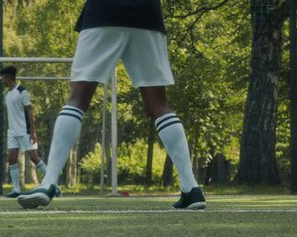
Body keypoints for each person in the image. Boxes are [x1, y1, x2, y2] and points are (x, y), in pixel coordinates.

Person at [17, 0, 206, 210]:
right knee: (159, 104)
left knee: (78, 98)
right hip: (147, 14)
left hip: (103, 12)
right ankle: (192, 188)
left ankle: (48, 183)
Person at [0, 66, 47, 198]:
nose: (2, 80)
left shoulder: (22, 92)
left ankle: (52, 182)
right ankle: (16, 189)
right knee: (11, 157)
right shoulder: (7, 94)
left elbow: (30, 111)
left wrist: (33, 131)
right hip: (12, 132)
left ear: (8, 77)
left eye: (3, 77)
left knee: (33, 157)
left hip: (25, 131)